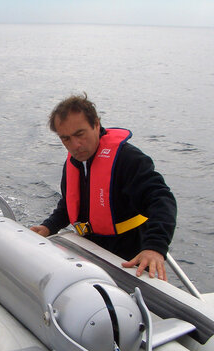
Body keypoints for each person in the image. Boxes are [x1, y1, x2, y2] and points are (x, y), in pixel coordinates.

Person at [30, 94, 176, 280]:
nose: (75, 145)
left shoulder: (128, 160)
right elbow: (70, 203)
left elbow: (162, 199)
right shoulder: (75, 162)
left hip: (130, 262)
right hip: (90, 254)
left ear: (96, 125)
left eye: (79, 134)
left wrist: (155, 247)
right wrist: (49, 227)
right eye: (66, 138)